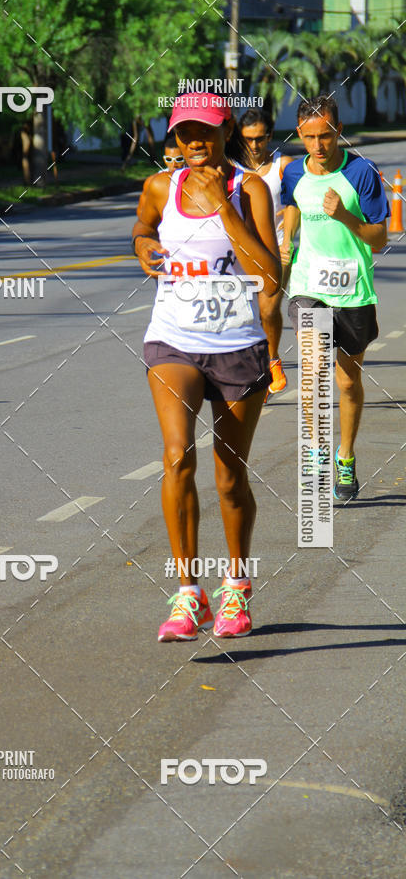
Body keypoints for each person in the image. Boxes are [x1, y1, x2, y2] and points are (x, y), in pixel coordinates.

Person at [132, 93, 281, 641]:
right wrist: (142, 245)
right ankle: (187, 594)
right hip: (173, 340)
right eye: (184, 132)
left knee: (229, 475)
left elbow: (270, 277)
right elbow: (143, 227)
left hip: (238, 344)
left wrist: (224, 208)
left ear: (226, 131)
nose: (194, 141)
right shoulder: (159, 187)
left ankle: (236, 587)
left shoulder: (251, 189)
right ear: (174, 137)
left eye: (206, 130)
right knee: (177, 455)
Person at [281, 95, 389, 499]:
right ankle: (316, 452)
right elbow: (292, 204)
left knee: (346, 381)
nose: (318, 145)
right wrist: (286, 243)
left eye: (325, 136)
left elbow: (379, 238)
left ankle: (345, 457)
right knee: (312, 372)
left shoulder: (361, 173)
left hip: (353, 291)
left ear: (339, 131)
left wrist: (344, 215)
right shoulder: (293, 172)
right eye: (309, 137)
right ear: (299, 134)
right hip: (309, 286)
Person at [239, 109, 293, 397]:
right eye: (248, 139)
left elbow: (297, 202)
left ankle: (272, 361)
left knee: (268, 310)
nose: (254, 145)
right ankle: (255, 369)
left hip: (278, 249)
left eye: (260, 138)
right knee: (247, 314)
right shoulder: (233, 168)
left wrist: (289, 239)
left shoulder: (283, 166)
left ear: (270, 136)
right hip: (244, 252)